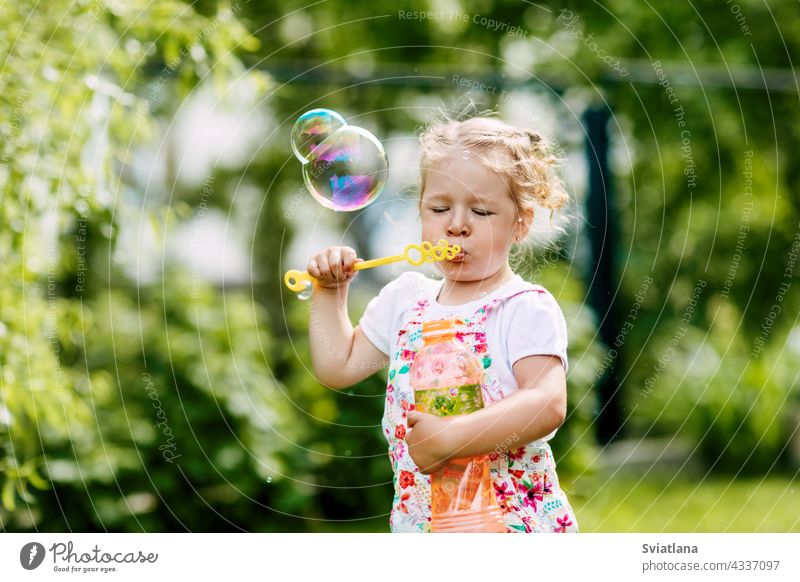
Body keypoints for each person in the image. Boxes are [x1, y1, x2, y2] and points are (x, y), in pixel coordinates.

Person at [306, 115, 579, 533]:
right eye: (439, 208)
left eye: (482, 210)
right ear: (421, 212)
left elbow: (546, 403)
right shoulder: (405, 300)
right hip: (424, 528)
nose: (456, 224)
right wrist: (329, 291)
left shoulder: (523, 308)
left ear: (520, 222)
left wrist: (454, 437)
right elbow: (337, 366)